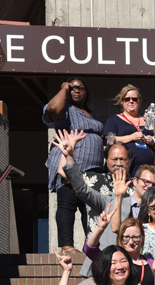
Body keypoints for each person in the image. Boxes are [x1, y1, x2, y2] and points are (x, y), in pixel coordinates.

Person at [53, 129, 145, 276]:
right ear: (106, 161)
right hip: (100, 252)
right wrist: (69, 153)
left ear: (130, 161)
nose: (118, 163)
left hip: (130, 253)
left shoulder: (138, 185)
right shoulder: (95, 180)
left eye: (123, 159)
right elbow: (65, 173)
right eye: (114, 159)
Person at [44, 77, 103, 254]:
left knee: (90, 209)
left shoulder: (88, 112)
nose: (76, 90)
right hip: (70, 164)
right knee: (67, 204)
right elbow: (53, 109)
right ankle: (67, 246)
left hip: (93, 170)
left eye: (80, 88)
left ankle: (91, 246)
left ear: (87, 93)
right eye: (72, 88)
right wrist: (63, 88)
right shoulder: (65, 110)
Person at [104, 85, 155, 176]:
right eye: (127, 99)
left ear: (139, 102)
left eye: (134, 99)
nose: (131, 101)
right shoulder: (114, 120)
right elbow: (108, 140)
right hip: (125, 171)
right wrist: (131, 137)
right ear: (122, 102)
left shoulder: (148, 120)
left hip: (148, 171)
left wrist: (153, 142)